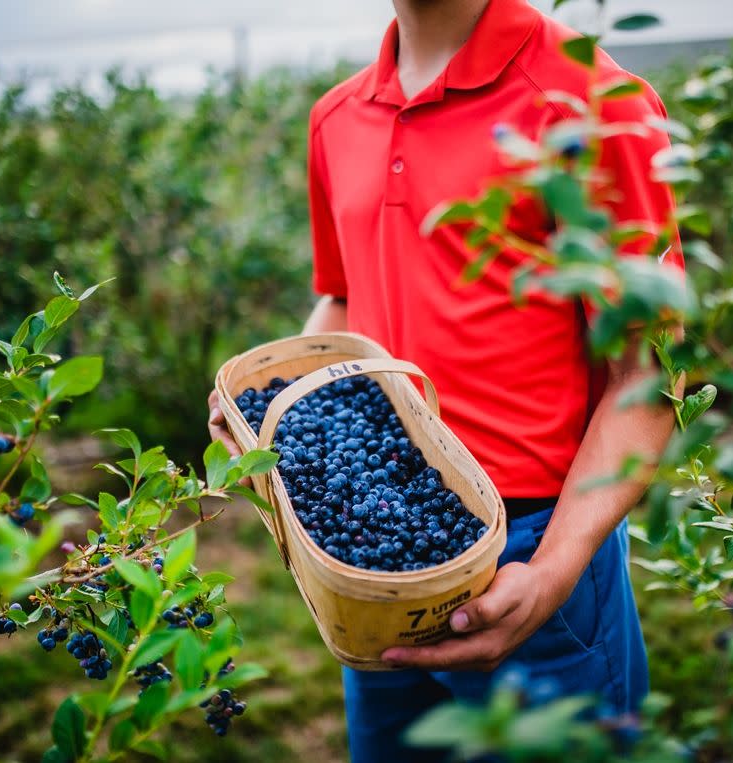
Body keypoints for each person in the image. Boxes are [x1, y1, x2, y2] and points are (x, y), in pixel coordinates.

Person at [207, 0, 684, 759]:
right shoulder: (337, 117)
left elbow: (650, 374)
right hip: (371, 556)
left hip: (532, 554)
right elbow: (342, 296)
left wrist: (552, 572)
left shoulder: (590, 101)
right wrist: (269, 413)